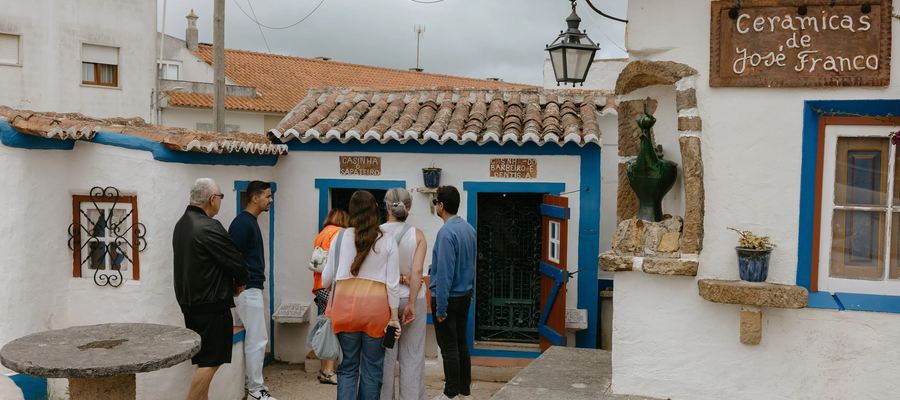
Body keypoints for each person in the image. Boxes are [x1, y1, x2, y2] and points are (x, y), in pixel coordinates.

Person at [173, 178, 249, 400]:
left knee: (203, 360)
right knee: (211, 361)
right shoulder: (207, 226)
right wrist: (239, 283)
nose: (220, 202)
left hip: (190, 303)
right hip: (211, 304)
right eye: (221, 197)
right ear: (212, 199)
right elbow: (236, 261)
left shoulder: (182, 224)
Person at [322, 190, 402, 400]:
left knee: (347, 366)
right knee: (373, 368)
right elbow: (393, 284)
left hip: (344, 310)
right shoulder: (388, 241)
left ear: (351, 211)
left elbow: (326, 279)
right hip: (376, 314)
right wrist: (394, 318)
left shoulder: (339, 237)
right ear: (375, 210)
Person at [228, 181, 277, 400]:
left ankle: (251, 386)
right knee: (258, 340)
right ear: (255, 198)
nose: (271, 200)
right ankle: (256, 390)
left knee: (253, 339)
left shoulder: (248, 221)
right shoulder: (243, 223)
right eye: (267, 196)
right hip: (248, 290)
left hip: (250, 288)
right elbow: (231, 256)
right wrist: (240, 283)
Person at [380, 188, 428, 400]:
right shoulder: (417, 235)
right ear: (409, 207)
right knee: (412, 356)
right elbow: (417, 271)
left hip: (384, 300)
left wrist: (395, 280)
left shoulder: (376, 233)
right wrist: (410, 301)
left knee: (385, 356)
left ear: (386, 206)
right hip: (413, 299)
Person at [429, 185, 476, 400]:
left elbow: (445, 273)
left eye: (435, 202)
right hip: (464, 296)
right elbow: (471, 264)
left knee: (448, 348)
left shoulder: (446, 233)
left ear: (441, 205)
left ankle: (451, 393)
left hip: (448, 297)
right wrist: (471, 290)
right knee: (461, 344)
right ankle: (464, 391)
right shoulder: (468, 229)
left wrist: (440, 307)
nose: (435, 206)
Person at [312, 209, 349, 385]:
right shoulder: (338, 233)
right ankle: (329, 372)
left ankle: (322, 370)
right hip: (329, 287)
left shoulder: (322, 233)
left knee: (324, 325)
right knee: (332, 329)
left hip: (318, 286)